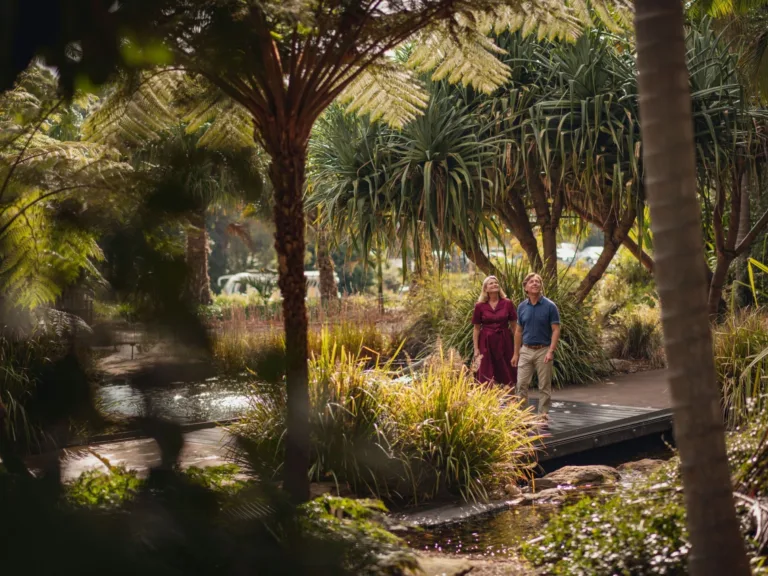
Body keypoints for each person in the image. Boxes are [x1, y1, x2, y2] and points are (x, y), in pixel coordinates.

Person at [512, 273, 560, 421]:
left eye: (537, 281)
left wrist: (551, 351)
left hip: (543, 350)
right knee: (521, 385)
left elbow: (556, 329)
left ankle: (542, 416)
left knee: (544, 386)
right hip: (525, 350)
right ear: (526, 287)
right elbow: (518, 331)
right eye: (531, 282)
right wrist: (516, 353)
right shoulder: (521, 307)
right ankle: (523, 416)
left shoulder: (550, 306)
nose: (535, 283)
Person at [472, 275, 517, 388]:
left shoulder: (507, 303)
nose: (494, 284)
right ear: (485, 289)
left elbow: (515, 327)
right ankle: (490, 403)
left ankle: (511, 402)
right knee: (486, 374)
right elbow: (476, 328)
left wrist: (517, 347)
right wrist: (476, 349)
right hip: (486, 342)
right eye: (491, 283)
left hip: (504, 341)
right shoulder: (479, 306)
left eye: (496, 282)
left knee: (508, 373)